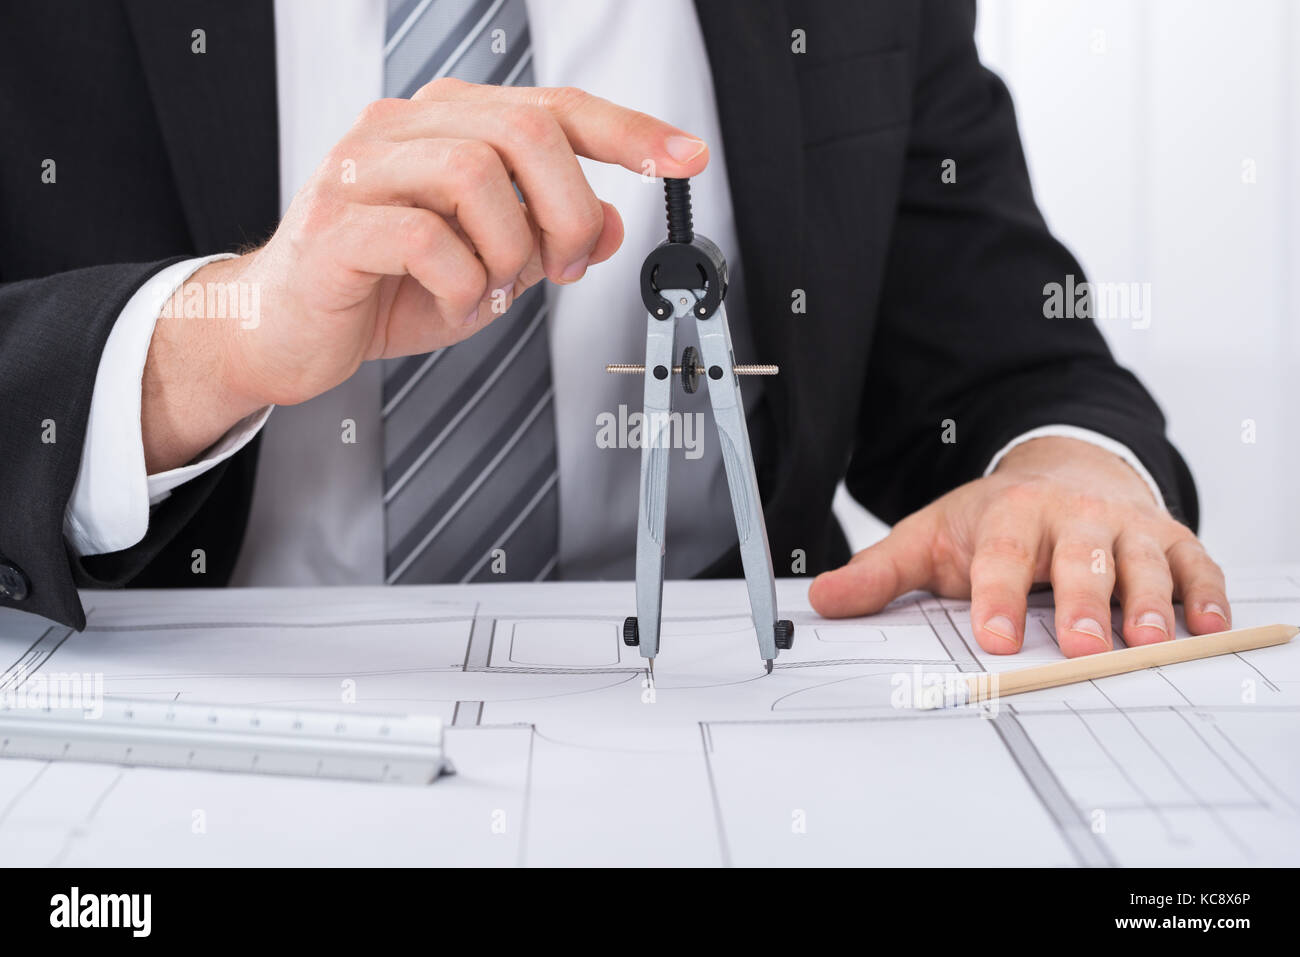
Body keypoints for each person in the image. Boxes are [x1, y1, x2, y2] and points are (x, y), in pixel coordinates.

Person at [0, 0, 1230, 657]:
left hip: (737, 718)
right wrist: (211, 337)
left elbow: (1009, 360)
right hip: (172, 712)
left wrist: (1065, 473)